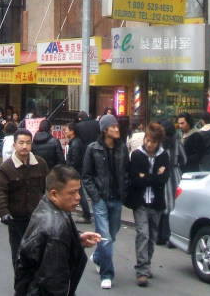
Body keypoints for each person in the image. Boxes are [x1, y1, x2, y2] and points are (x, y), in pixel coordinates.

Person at [14, 165, 102, 296]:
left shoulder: (48, 206)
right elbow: (54, 281)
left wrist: (77, 239)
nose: (78, 197)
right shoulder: (57, 228)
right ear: (54, 194)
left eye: (78, 191)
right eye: (72, 192)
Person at [82, 114, 129, 290]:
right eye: (113, 126)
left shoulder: (122, 148)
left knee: (113, 233)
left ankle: (98, 256)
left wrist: (125, 190)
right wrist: (95, 196)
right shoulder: (92, 149)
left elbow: (126, 171)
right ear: (104, 130)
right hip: (100, 199)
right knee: (106, 237)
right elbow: (86, 176)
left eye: (117, 126)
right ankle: (107, 274)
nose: (117, 129)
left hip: (117, 198)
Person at [0, 128, 49, 268]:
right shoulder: (6, 167)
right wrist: (4, 212)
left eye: (28, 143)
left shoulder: (40, 163)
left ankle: (35, 284)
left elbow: (48, 188)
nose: (24, 146)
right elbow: (1, 191)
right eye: (21, 142)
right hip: (16, 219)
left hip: (38, 217)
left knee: (38, 251)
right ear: (14, 145)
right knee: (19, 253)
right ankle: (20, 285)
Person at [126, 123, 170, 287]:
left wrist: (147, 177)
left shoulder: (163, 156)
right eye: (148, 140)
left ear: (159, 142)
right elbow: (135, 179)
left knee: (152, 235)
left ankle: (147, 263)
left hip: (156, 202)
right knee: (143, 234)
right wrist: (153, 176)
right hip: (141, 201)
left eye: (153, 141)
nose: (150, 144)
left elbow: (163, 180)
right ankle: (142, 270)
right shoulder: (137, 155)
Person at [157, 119, 185, 246]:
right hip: (175, 175)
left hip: (160, 176)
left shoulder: (157, 144)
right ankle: (171, 237)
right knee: (173, 205)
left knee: (161, 204)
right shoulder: (177, 143)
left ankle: (159, 236)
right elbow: (184, 159)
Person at [65, 122, 91, 224]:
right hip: (76, 172)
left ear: (72, 131)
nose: (65, 132)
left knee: (79, 194)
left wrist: (69, 168)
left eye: (66, 130)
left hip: (75, 172)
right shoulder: (75, 142)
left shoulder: (75, 143)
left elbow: (75, 161)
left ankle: (86, 214)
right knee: (78, 193)